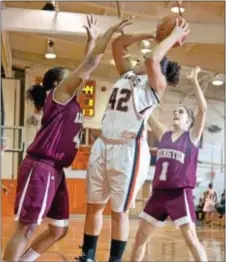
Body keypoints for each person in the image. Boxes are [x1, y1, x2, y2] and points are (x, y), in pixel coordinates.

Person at [3, 15, 133, 262]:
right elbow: (89, 65)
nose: (77, 77)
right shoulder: (59, 95)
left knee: (59, 229)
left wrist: (92, 39)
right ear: (56, 84)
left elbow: (85, 65)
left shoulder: (70, 99)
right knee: (26, 228)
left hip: (56, 171)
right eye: (70, 74)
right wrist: (109, 34)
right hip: (41, 167)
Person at [76, 18, 190, 262]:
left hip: (128, 151)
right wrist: (151, 33)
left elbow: (151, 60)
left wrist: (171, 37)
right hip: (103, 144)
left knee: (119, 211)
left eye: (151, 62)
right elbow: (118, 44)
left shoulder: (155, 87)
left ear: (158, 70)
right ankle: (87, 256)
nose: (140, 60)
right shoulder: (127, 75)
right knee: (94, 205)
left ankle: (115, 260)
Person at [131, 66, 208, 262]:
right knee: (140, 238)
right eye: (175, 111)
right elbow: (147, 115)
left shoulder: (192, 137)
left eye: (181, 112)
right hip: (158, 193)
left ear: (189, 121)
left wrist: (194, 81)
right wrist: (141, 86)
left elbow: (203, 109)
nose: (176, 113)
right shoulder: (163, 134)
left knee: (191, 238)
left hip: (179, 193)